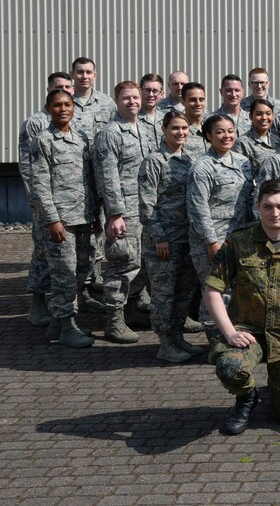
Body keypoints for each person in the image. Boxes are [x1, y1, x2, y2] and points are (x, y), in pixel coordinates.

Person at [205, 179, 280, 435]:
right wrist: (229, 332)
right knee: (230, 367)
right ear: (258, 206)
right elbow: (213, 290)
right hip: (249, 331)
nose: (275, 213)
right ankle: (246, 397)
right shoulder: (239, 241)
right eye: (268, 206)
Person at [29, 89, 98, 348]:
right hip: (61, 221)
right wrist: (52, 220)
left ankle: (57, 324)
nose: (63, 109)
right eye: (56, 105)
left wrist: (95, 214)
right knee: (64, 275)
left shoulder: (81, 137)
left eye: (67, 104)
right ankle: (67, 327)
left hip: (83, 217)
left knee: (82, 271)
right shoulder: (43, 140)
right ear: (49, 108)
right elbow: (40, 185)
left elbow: (89, 179)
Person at [139, 111, 206, 362]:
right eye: (175, 128)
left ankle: (177, 337)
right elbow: (147, 205)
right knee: (163, 295)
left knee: (184, 291)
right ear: (164, 129)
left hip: (187, 238)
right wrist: (159, 237)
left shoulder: (191, 160)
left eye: (184, 128)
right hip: (163, 241)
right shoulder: (154, 161)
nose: (180, 132)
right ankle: (165, 343)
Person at [93, 81, 155, 344]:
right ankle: (113, 321)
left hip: (147, 209)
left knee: (144, 262)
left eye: (135, 98)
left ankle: (130, 311)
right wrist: (114, 214)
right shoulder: (111, 133)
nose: (132, 102)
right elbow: (107, 178)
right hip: (125, 211)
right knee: (122, 264)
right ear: (116, 101)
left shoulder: (145, 129)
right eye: (126, 98)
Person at [187, 114, 254, 335]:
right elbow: (198, 209)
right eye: (220, 131)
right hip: (213, 239)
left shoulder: (243, 162)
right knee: (215, 288)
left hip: (237, 238)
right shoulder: (202, 168)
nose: (227, 136)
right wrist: (211, 241)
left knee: (235, 289)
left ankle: (231, 334)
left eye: (230, 130)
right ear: (208, 136)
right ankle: (215, 338)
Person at [20, 72, 75, 327]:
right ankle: (40, 305)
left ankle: (60, 317)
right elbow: (31, 171)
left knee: (70, 263)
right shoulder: (37, 126)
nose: (63, 106)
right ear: (48, 94)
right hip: (49, 208)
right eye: (58, 90)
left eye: (67, 89)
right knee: (45, 257)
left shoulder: (77, 126)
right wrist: (43, 210)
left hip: (74, 208)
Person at [234, 98, 280, 173]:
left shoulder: (277, 140)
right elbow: (240, 173)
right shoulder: (242, 143)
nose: (264, 118)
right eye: (258, 114)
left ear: (273, 116)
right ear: (250, 117)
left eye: (268, 114)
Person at [181, 82, 211, 159]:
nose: (198, 104)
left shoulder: (211, 127)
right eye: (193, 100)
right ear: (183, 102)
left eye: (201, 99)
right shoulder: (179, 130)